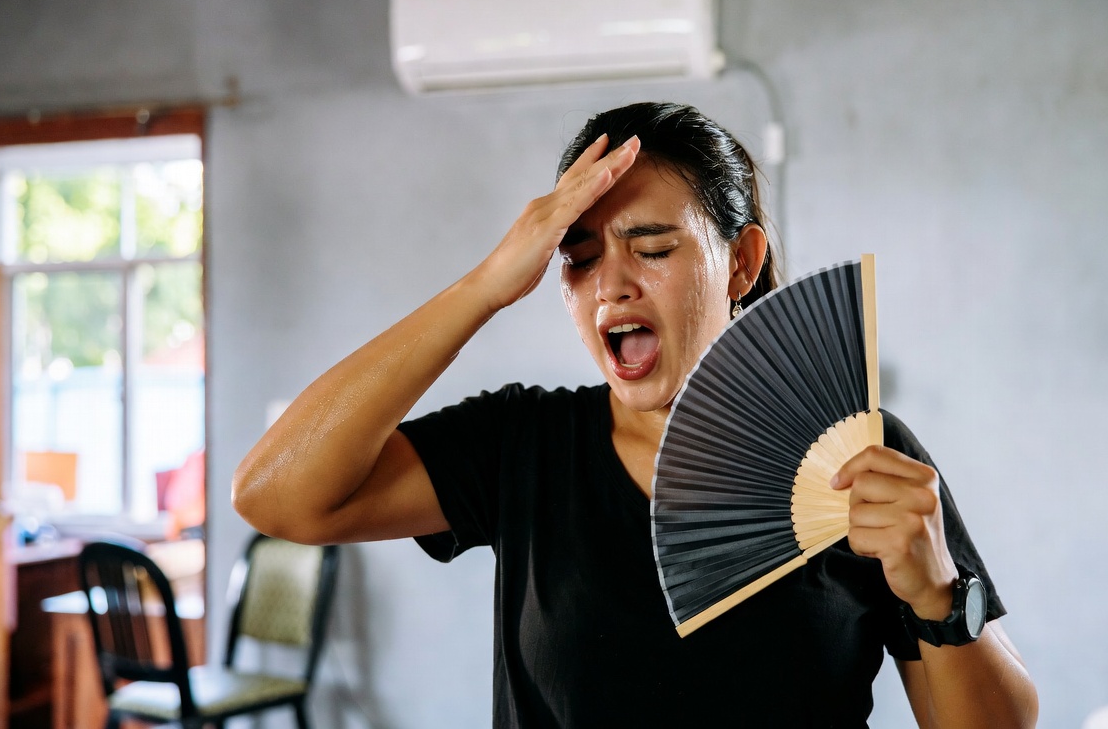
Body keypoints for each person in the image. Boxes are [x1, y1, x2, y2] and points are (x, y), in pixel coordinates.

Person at [233, 102, 1038, 727]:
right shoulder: (524, 446)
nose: (610, 284)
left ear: (742, 263)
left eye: (652, 248)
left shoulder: (857, 458)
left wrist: (938, 593)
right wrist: (484, 284)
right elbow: (277, 493)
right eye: (578, 258)